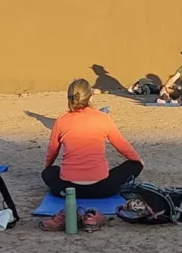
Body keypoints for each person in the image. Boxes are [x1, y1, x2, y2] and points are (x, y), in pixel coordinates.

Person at [40, 79, 144, 231]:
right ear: (91, 97)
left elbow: (52, 151)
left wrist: (48, 167)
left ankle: (63, 192)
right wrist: (138, 161)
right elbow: (121, 145)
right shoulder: (103, 118)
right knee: (134, 165)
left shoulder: (61, 121)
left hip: (69, 190)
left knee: (48, 172)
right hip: (103, 189)